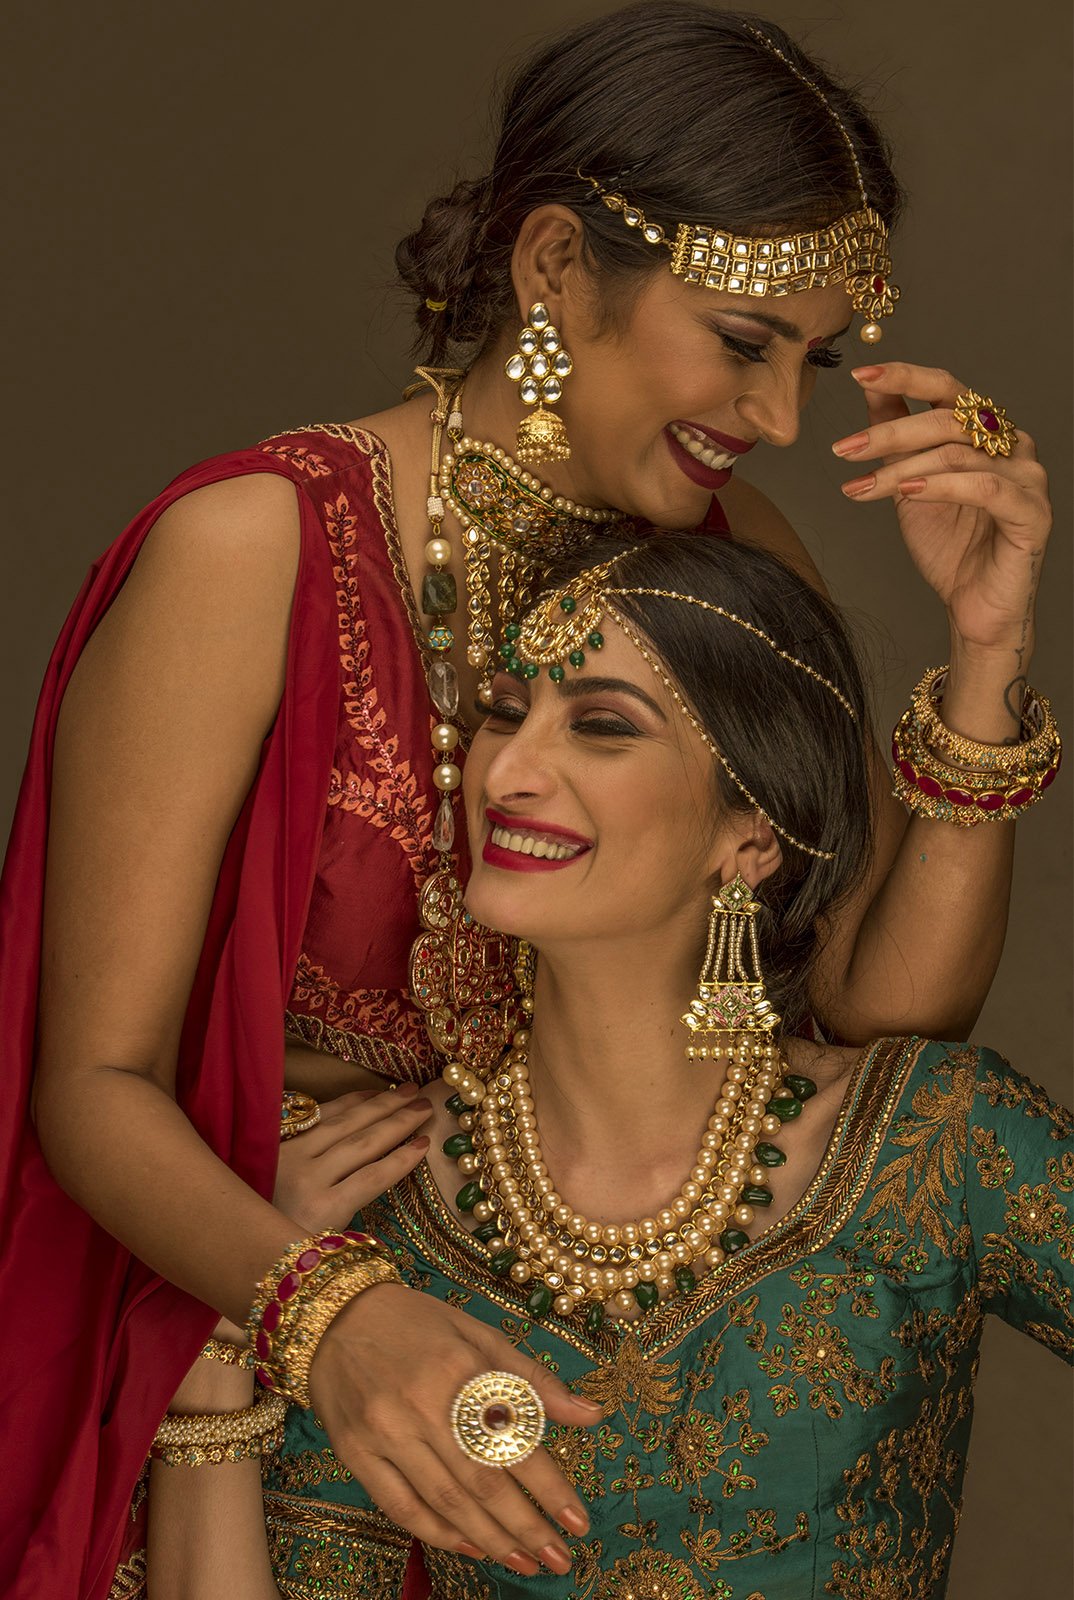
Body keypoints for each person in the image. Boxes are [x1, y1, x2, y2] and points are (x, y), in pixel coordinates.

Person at [0, 6, 1056, 1597]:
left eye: (814, 358)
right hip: (279, 1362)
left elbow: (870, 1006)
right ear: (558, 266)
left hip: (592, 1380)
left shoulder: (730, 552)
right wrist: (329, 1317)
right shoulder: (256, 550)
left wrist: (983, 654)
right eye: (743, 339)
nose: (779, 416)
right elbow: (92, 1084)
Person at [139, 531, 1072, 1598]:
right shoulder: (379, 1210)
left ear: (751, 836)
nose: (507, 771)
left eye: (602, 726)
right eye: (504, 712)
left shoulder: (933, 1142)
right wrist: (232, 1321)